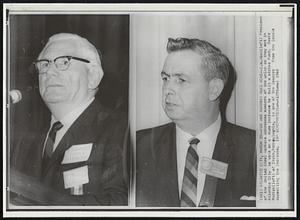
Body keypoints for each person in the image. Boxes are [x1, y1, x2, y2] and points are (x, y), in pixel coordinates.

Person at [136, 38, 256, 207]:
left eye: (181, 80)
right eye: (165, 78)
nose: (168, 89)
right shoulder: (137, 146)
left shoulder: (256, 148)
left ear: (214, 89)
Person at [10, 33, 128, 206]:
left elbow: (122, 202)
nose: (49, 71)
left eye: (64, 62)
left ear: (93, 76)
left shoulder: (122, 129)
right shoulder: (25, 138)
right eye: (44, 64)